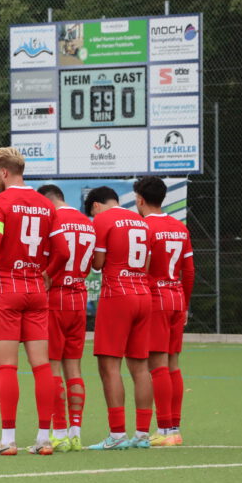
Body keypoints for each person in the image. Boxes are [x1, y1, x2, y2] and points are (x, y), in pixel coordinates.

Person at [0, 148, 65, 456]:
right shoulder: (46, 205)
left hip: (6, 287)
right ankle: (44, 439)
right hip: (36, 288)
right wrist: (47, 274)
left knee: (7, 367)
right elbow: (63, 251)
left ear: (5, 172)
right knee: (42, 366)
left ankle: (8, 440)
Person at [84, 185, 154, 450]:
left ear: (96, 206)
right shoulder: (141, 221)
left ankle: (117, 435)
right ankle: (143, 435)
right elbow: (147, 264)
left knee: (109, 366)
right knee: (140, 367)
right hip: (143, 294)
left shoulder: (102, 220)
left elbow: (98, 263)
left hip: (118, 295)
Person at [136, 177, 195, 447]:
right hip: (176, 297)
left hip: (156, 299)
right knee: (173, 365)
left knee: (157, 365)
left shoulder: (145, 228)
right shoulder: (180, 227)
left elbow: (144, 267)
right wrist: (185, 304)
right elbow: (189, 271)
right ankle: (175, 428)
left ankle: (164, 429)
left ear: (140, 200)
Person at [38, 184, 94, 452]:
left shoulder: (52, 220)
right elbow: (92, 263)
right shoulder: (87, 222)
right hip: (79, 298)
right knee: (74, 368)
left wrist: (46, 275)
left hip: (55, 297)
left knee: (52, 368)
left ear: (47, 202)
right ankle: (75, 433)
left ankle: (59, 432)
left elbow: (54, 256)